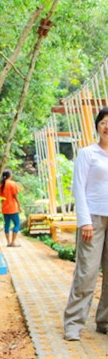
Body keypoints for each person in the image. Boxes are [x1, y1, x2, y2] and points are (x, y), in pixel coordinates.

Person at [63, 106, 108, 342]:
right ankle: (73, 323)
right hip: (93, 219)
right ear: (97, 125)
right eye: (103, 122)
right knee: (86, 273)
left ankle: (105, 322)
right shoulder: (87, 153)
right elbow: (78, 188)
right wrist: (85, 221)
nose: (107, 126)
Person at [0, 169, 21, 247]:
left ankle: (8, 242)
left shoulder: (1, 185)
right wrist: (19, 206)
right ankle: (13, 242)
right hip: (13, 208)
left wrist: (2, 206)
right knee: (17, 224)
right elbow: (15, 196)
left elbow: (0, 198)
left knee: (7, 225)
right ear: (10, 176)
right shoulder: (12, 184)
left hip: (5, 208)